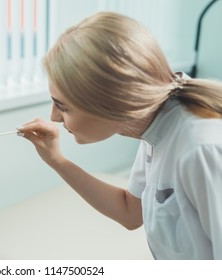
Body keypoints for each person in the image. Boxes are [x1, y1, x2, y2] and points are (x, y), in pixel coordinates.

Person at [17, 12, 222, 259]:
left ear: (112, 102)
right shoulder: (154, 125)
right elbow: (130, 212)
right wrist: (56, 160)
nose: (54, 117)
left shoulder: (201, 148)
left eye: (63, 106)